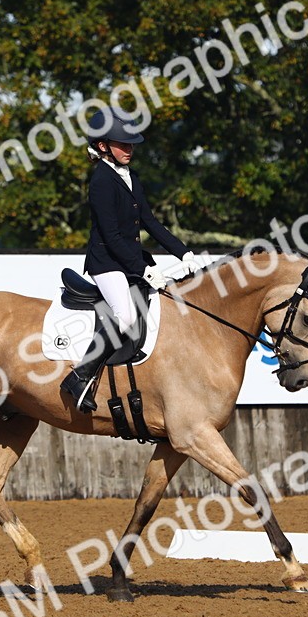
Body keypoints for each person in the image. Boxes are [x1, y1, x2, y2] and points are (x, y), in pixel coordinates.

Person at [59, 107, 196, 413]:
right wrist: (144, 269)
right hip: (106, 263)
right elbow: (111, 236)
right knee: (127, 317)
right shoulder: (101, 182)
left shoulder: (130, 176)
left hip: (130, 261)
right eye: (123, 143)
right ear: (103, 145)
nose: (129, 148)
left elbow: (150, 221)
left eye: (131, 143)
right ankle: (79, 376)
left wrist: (182, 251)